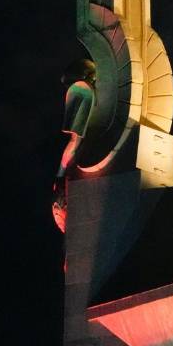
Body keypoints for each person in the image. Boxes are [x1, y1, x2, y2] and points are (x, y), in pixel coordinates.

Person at [52, 59, 96, 233]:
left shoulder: (79, 89)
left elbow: (74, 132)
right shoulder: (80, 89)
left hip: (66, 177)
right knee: (74, 142)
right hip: (65, 180)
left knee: (74, 142)